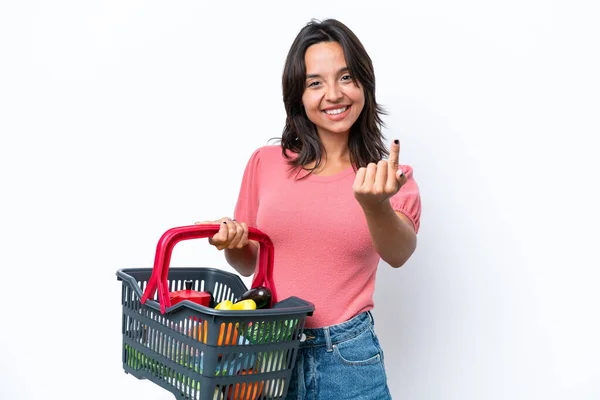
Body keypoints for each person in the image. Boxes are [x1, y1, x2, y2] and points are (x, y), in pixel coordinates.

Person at [196, 18, 421, 400]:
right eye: (315, 83)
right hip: (264, 353)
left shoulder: (387, 178)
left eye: (346, 77)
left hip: (347, 359)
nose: (333, 94)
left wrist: (375, 205)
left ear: (364, 84)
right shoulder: (265, 164)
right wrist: (233, 242)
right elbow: (249, 263)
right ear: (298, 96)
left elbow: (399, 254)